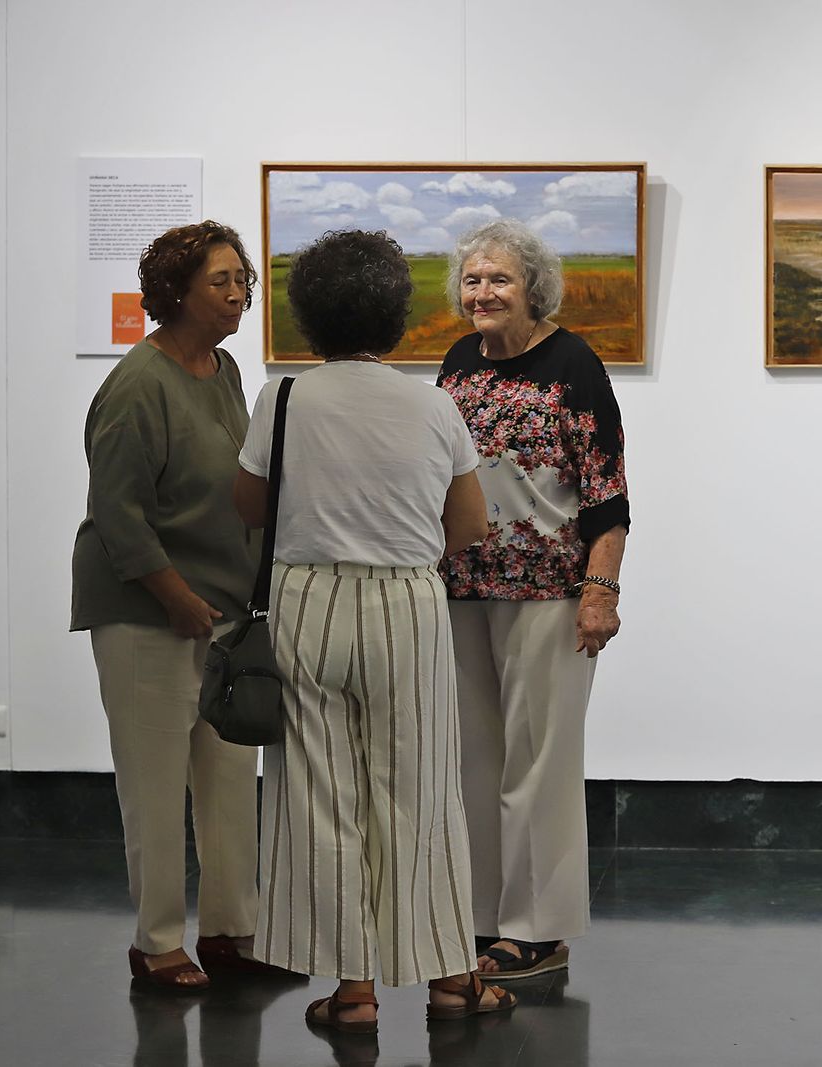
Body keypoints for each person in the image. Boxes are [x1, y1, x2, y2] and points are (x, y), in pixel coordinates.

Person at [233, 229, 511, 1032]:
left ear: (307, 314)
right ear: (397, 313)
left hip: (305, 601)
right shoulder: (433, 404)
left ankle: (353, 991)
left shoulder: (282, 398)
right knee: (420, 789)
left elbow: (248, 507)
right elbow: (468, 524)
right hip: (406, 604)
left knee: (321, 794)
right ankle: (450, 979)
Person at [71, 219, 293, 991]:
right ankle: (157, 942)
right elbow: (118, 511)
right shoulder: (137, 383)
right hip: (145, 613)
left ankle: (234, 930)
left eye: (244, 280)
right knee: (156, 786)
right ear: (175, 292)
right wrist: (175, 595)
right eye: (221, 281)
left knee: (231, 779)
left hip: (221, 611)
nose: (238, 295)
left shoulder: (225, 372)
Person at [436, 219, 629, 981]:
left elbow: (607, 496)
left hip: (550, 593)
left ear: (533, 288)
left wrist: (600, 590)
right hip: (461, 589)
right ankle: (485, 918)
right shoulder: (456, 362)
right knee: (475, 760)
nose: (481, 292)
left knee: (540, 764)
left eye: (499, 279)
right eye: (473, 279)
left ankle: (538, 928)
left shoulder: (573, 364)